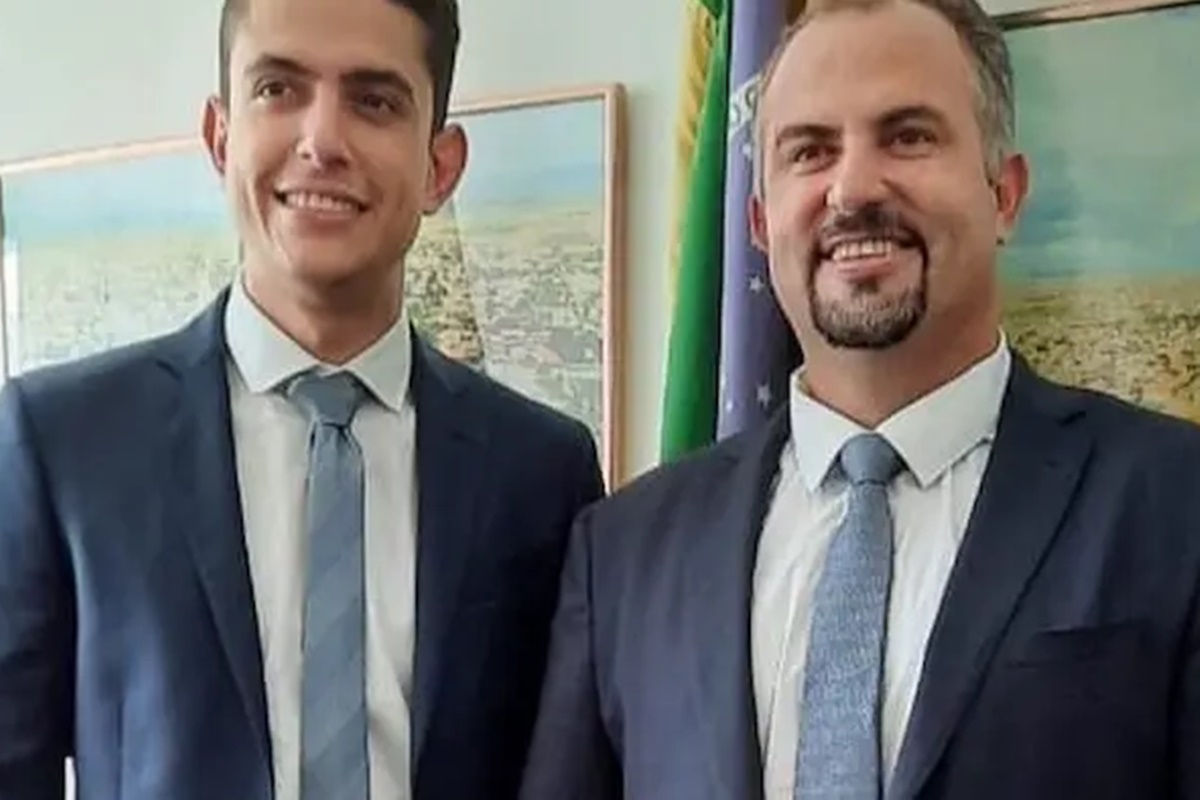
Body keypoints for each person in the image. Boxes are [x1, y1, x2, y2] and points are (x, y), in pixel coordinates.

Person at [518, 0, 1200, 796]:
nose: (852, 188)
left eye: (908, 137)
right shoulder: (625, 552)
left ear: (1004, 194)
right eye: (810, 151)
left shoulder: (1173, 502)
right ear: (760, 222)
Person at [0, 0, 605, 797]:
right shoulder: (65, 445)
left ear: (440, 167)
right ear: (221, 137)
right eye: (278, 89)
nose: (321, 141)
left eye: (374, 101)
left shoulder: (543, 471)